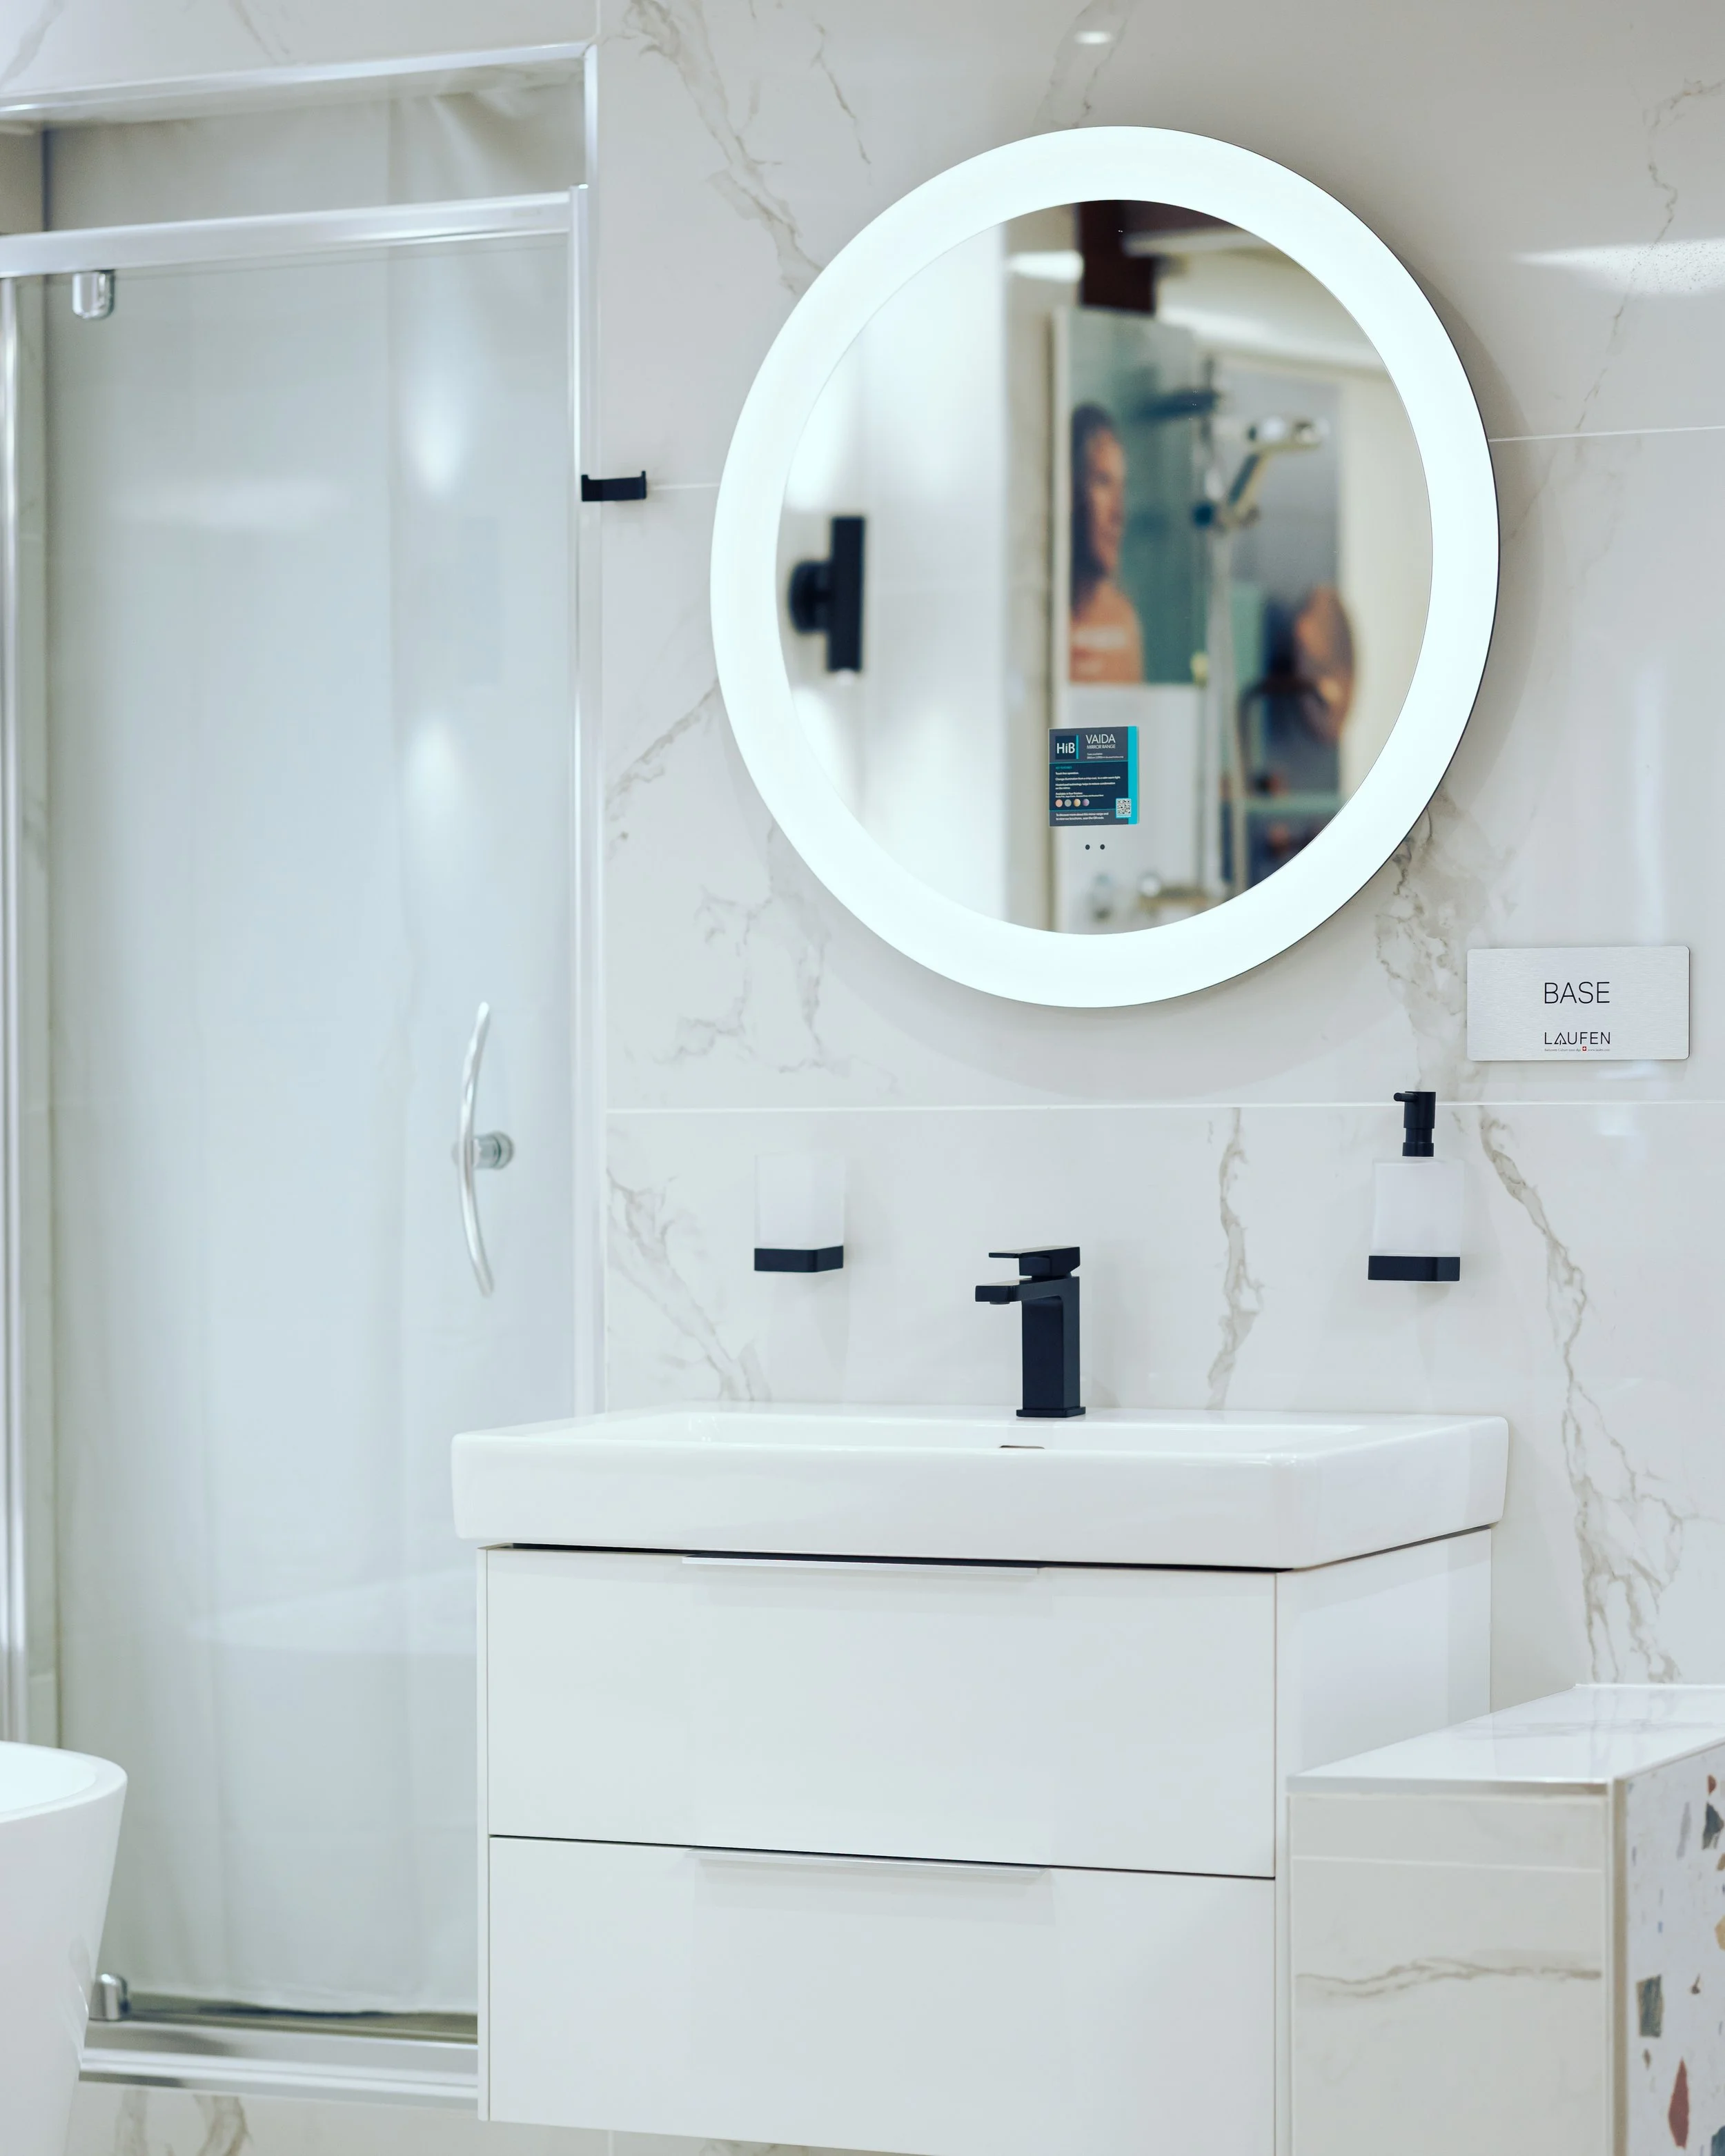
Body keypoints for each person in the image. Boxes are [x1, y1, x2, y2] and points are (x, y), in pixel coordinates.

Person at [1068, 402, 1145, 684]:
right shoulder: (1042, 621)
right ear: (1070, 493)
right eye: (1103, 482)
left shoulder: (1122, 620)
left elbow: (1131, 714)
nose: (1119, 513)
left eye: (1122, 488)